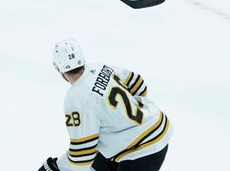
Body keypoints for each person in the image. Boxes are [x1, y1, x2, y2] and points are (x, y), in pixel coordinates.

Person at [38, 39, 172, 171]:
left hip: (143, 150)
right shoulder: (98, 67)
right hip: (157, 123)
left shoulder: (76, 100)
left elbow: (82, 155)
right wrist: (127, 119)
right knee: (98, 159)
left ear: (58, 69)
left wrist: (57, 167)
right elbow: (137, 82)